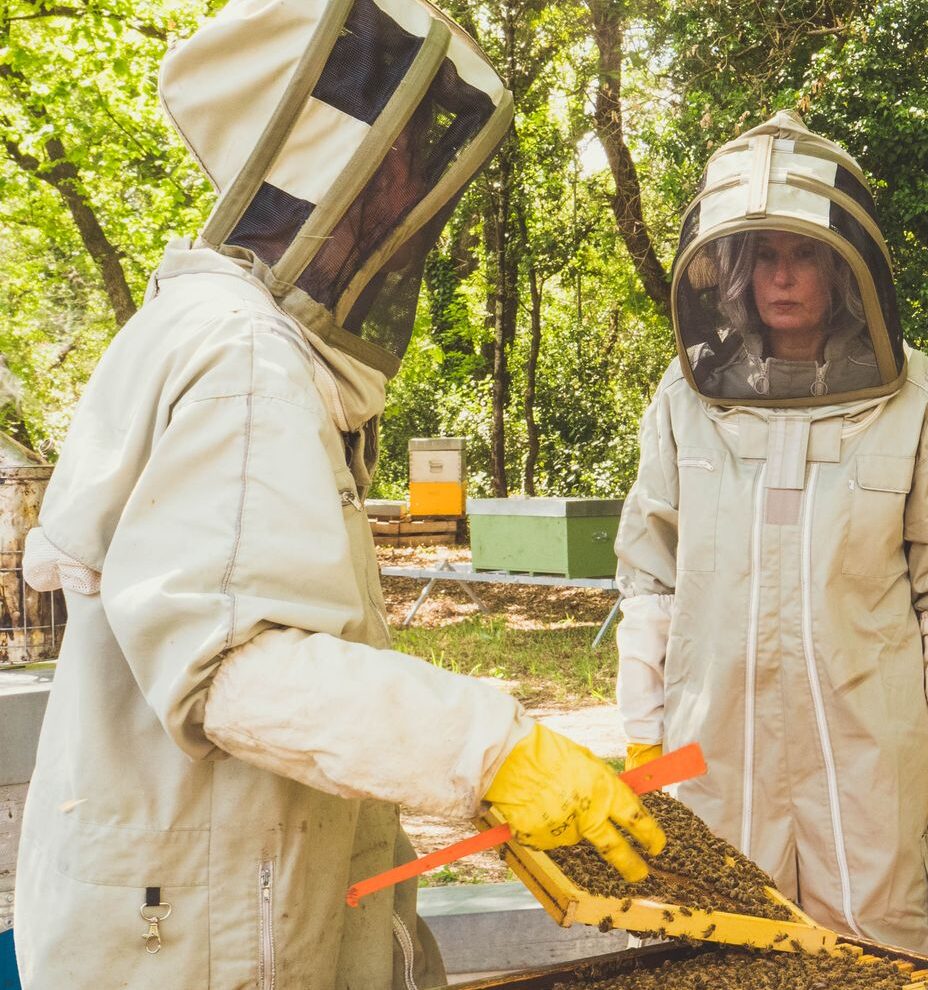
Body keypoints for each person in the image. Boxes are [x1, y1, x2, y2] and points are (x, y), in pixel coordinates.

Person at [12, 3, 665, 986]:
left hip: (202, 892)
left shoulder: (194, 321)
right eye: (400, 151)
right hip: (214, 929)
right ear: (338, 159)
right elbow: (234, 671)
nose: (412, 184)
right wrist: (494, 751)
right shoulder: (242, 355)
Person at [613, 110, 928, 961]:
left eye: (801, 256)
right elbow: (651, 578)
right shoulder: (686, 402)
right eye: (763, 259)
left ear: (842, 269)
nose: (782, 279)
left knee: (879, 946)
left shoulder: (919, 398)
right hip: (710, 738)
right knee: (723, 939)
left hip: (868, 739)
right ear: (733, 274)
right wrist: (643, 725)